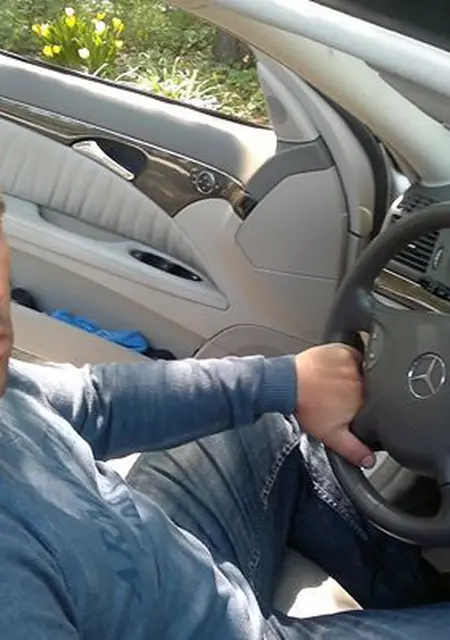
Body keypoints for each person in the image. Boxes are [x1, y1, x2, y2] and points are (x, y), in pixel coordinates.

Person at [0, 206, 448, 640]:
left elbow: (98, 403)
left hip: (162, 568)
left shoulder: (7, 393)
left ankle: (417, 593)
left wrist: (289, 380)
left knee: (264, 419)